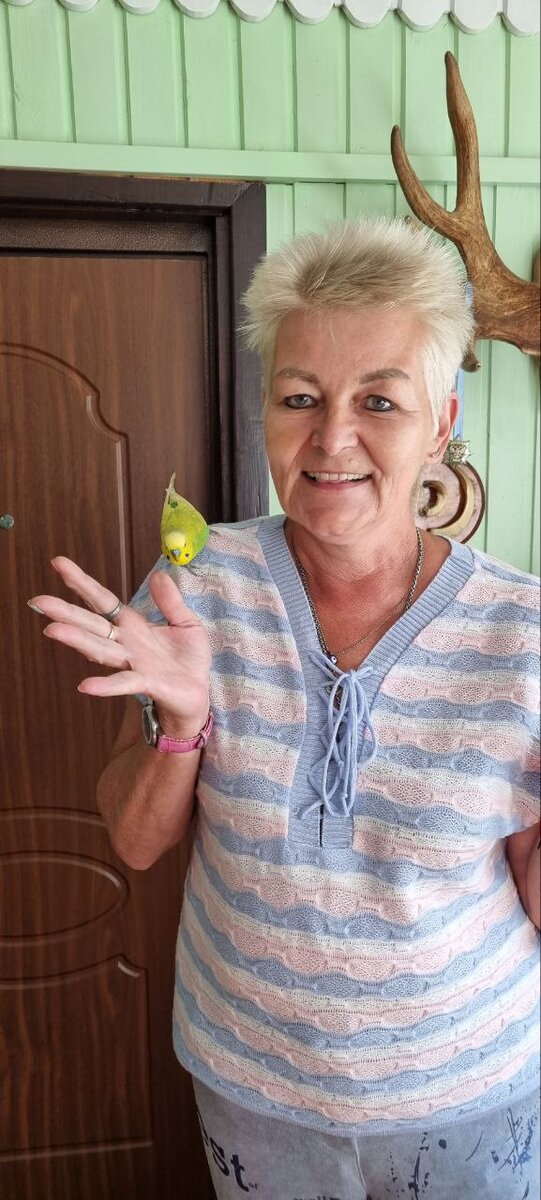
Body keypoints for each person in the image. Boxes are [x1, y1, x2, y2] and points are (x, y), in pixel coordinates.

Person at [30, 218, 540, 1200]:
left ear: (440, 422)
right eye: (299, 396)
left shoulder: (523, 632)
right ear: (264, 409)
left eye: (379, 400)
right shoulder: (195, 589)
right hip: (253, 1083)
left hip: (469, 1091)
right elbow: (135, 842)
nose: (331, 438)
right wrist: (184, 727)